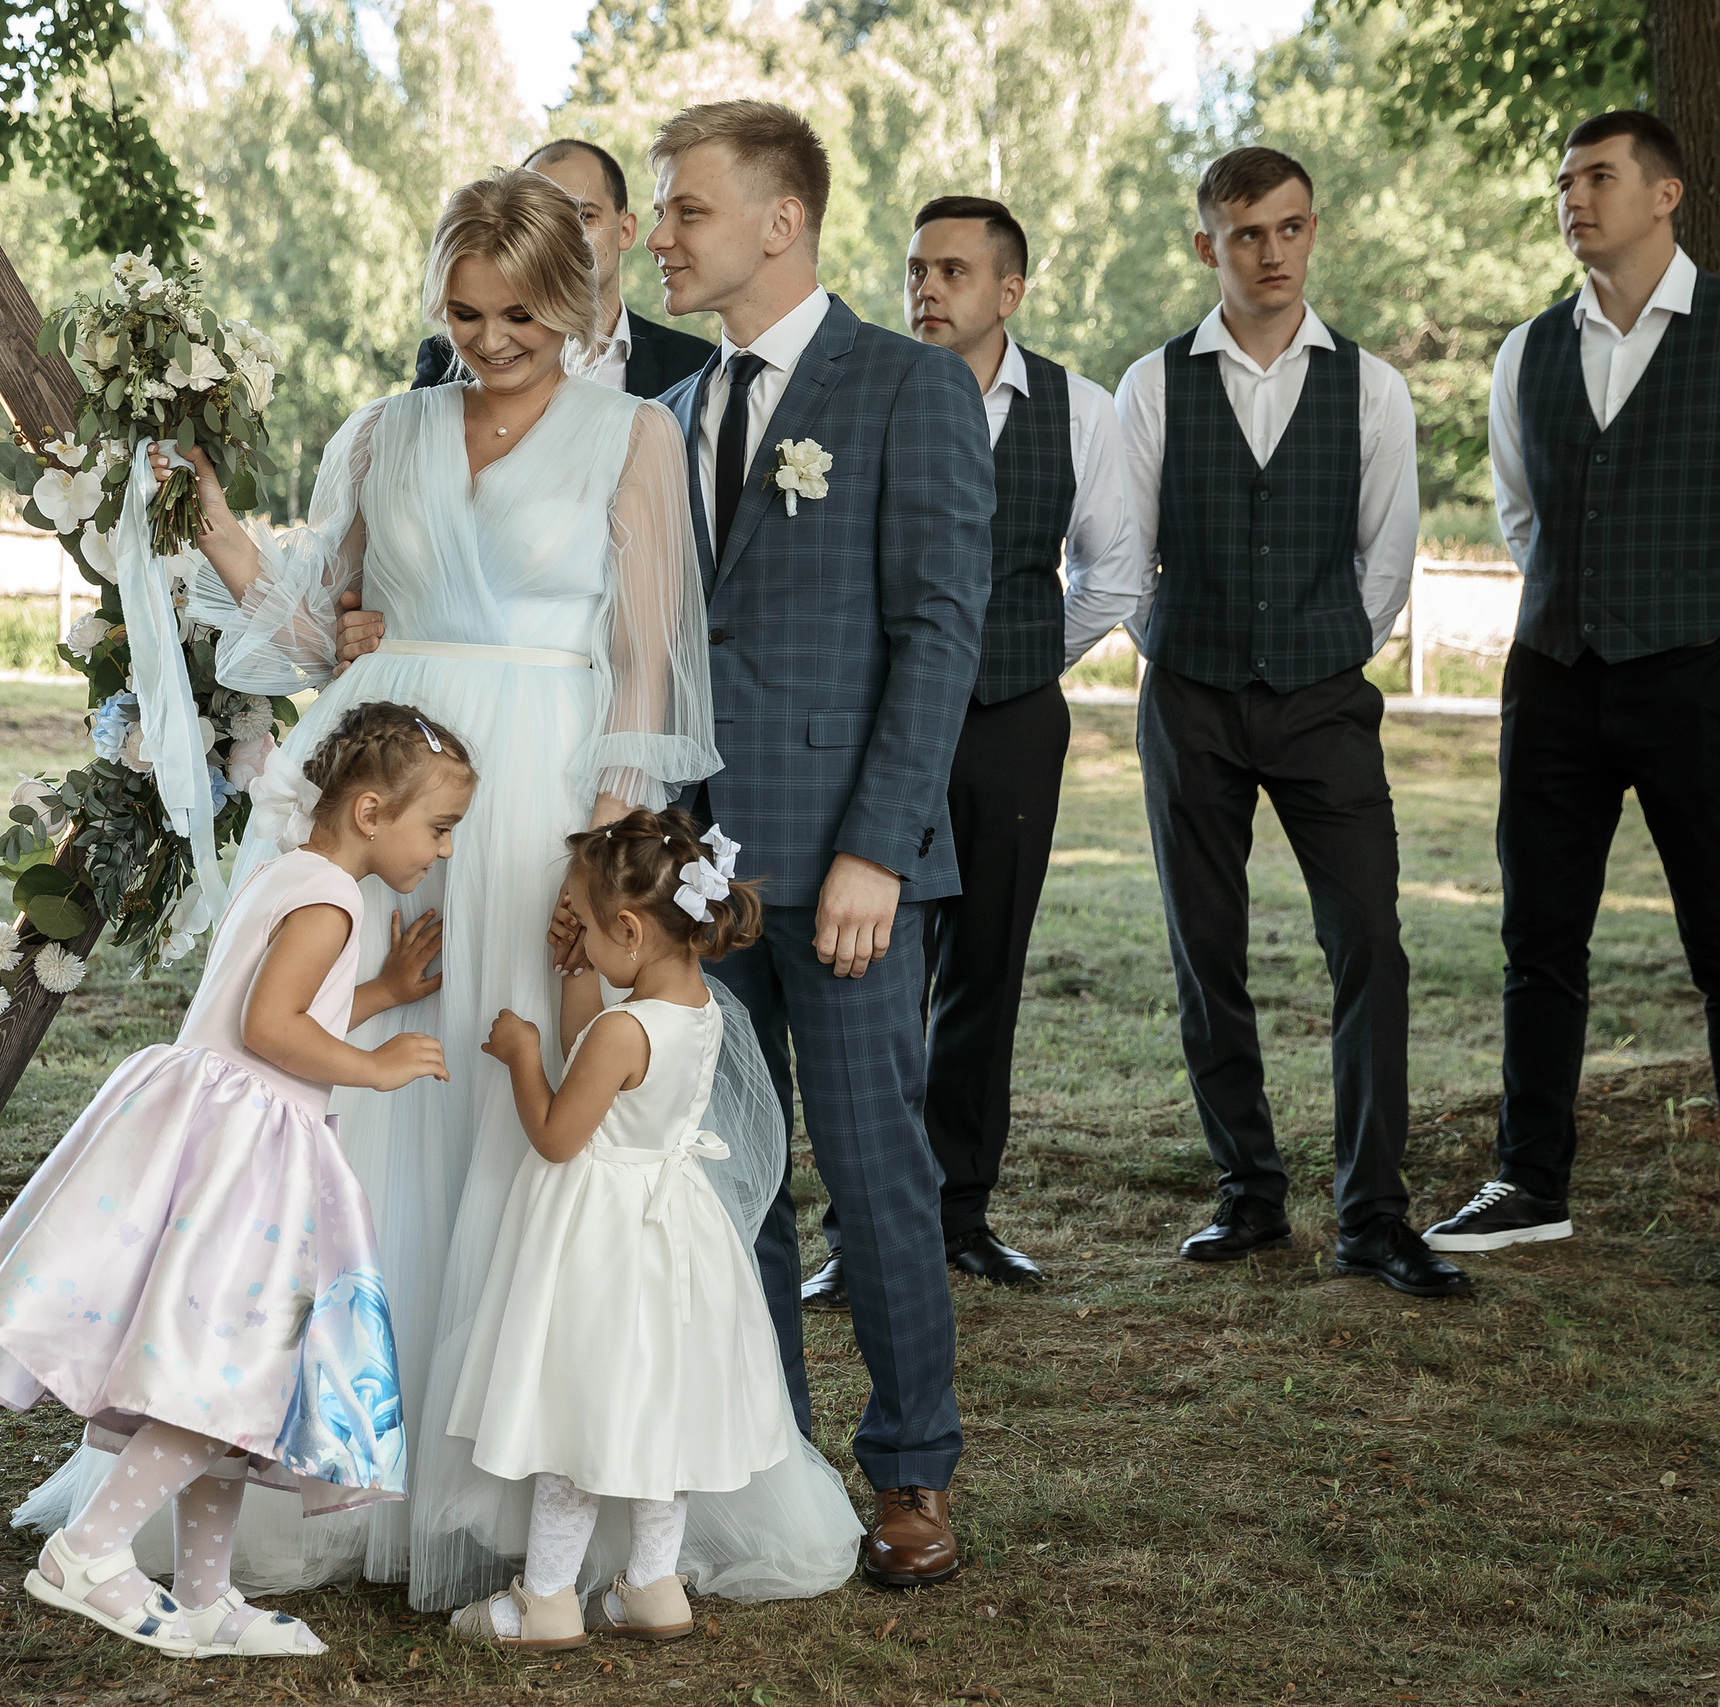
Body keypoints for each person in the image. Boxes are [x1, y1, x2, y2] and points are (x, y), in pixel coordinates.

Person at [86, 165, 851, 1614]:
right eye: (464, 310)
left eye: (518, 313)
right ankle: (320, 1459)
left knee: (512, 1113)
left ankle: (510, 1483)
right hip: (388, 793)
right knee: (351, 1113)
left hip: (545, 800)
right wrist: (212, 520)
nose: (490, 339)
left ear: (571, 300)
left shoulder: (631, 438)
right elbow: (318, 626)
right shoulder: (385, 431)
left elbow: (644, 664)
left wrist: (605, 853)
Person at [0, 700, 473, 1660]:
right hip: (248, 1157)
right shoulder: (333, 900)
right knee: (220, 1373)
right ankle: (88, 1551)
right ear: (374, 812)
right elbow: (271, 1029)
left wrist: (382, 991)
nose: (445, 850)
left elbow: (266, 1001)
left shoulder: (293, 876)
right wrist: (379, 1063)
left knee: (230, 1372)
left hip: (216, 1134)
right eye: (440, 828)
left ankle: (206, 1592)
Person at [652, 100, 994, 1590]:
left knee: (874, 1170)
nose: (660, 236)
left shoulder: (908, 387)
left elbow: (939, 633)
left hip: (848, 863)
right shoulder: (668, 415)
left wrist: (880, 847)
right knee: (728, 1171)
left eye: (686, 210)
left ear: (781, 220)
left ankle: (912, 1466)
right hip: (697, 869)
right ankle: (775, 1457)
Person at [1422, 111, 1720, 1305]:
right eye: (1563, 180)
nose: (1574, 198)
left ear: (1665, 194)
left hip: (1697, 681)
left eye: (1598, 178)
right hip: (1554, 676)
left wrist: (1714, 621)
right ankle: (1529, 1183)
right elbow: (1526, 518)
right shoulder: (1525, 351)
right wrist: (1593, 615)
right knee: (1538, 943)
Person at [1112, 146, 1468, 1299]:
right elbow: (1121, 557)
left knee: (1370, 942)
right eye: (1245, 233)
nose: (1270, 253)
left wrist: (1314, 652)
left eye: (1290, 229)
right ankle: (1249, 1197)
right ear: (1204, 242)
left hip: (1323, 700)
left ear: (1313, 232)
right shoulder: (1152, 384)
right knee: (1205, 950)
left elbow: (1385, 563)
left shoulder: (1371, 387)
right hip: (1191, 698)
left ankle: (1372, 1214)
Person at [794, 193, 1141, 1301]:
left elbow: (1113, 573)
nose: (926, 290)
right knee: (876, 975)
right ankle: (859, 1230)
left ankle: (961, 1215)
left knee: (985, 969)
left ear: (1008, 290)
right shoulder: (867, 396)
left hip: (1009, 724)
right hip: (882, 721)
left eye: (951, 272)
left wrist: (1023, 660)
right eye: (914, 271)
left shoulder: (1080, 411)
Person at [446, 811, 854, 1650]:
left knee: (579, 1412)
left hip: (603, 1239)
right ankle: (654, 1585)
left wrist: (522, 1055)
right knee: (654, 1409)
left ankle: (549, 1598)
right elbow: (598, 1054)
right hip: (674, 1240)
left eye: (590, 930)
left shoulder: (625, 1028)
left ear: (629, 928)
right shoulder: (693, 1007)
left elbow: (562, 1131)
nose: (583, 941)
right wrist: (575, 974)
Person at [413, 139, 715, 399]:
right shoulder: (446, 359)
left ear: (625, 231)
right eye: (536, 221)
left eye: (584, 216)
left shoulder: (698, 366)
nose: (563, 239)